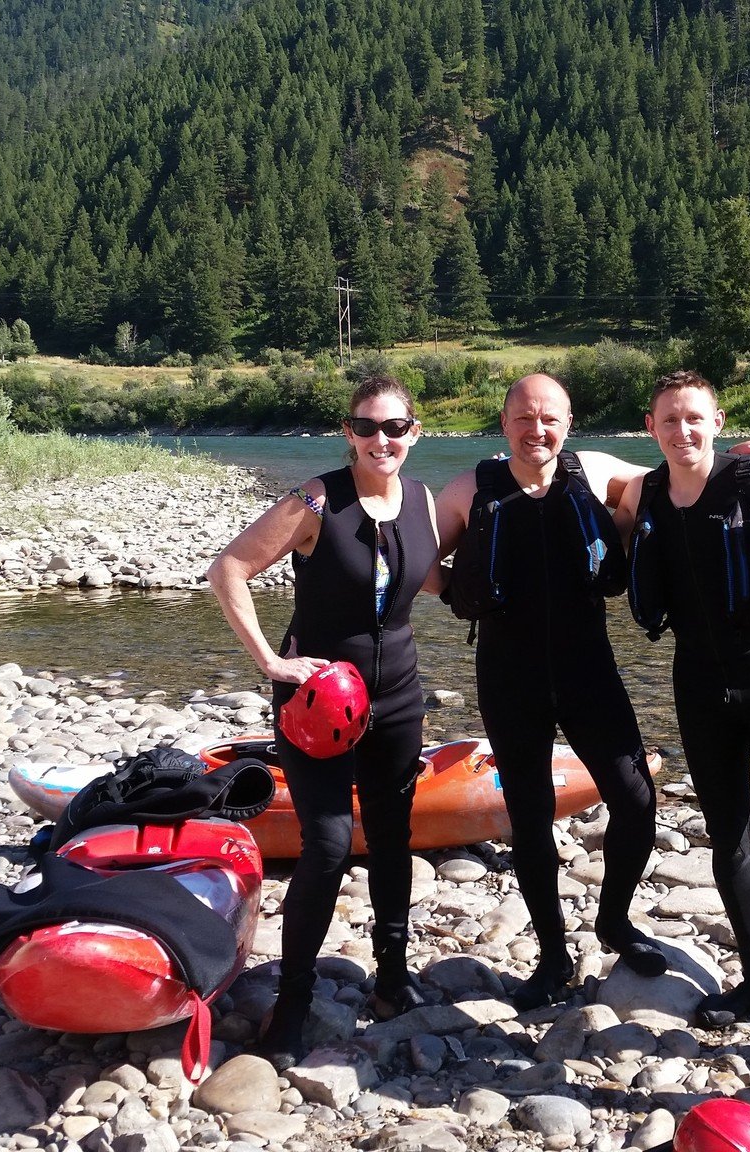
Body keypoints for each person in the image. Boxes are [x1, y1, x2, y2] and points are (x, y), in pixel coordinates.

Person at [207, 376, 438, 1066]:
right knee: (330, 845)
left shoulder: (424, 500)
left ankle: (392, 978)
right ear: (348, 433)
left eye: (395, 427)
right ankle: (294, 1000)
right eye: (366, 428)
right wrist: (272, 663)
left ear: (415, 432)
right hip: (316, 705)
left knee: (395, 837)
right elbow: (229, 569)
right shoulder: (315, 499)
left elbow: (419, 572)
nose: (381, 441)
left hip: (396, 697)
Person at [435, 373, 671, 1009]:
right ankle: (551, 955)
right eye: (523, 418)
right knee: (531, 817)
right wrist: (462, 595)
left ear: (568, 423)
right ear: (503, 422)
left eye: (549, 418)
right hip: (508, 674)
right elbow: (421, 559)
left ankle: (615, 921)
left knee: (635, 797)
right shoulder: (469, 488)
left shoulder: (592, 469)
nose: (536, 430)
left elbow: (672, 475)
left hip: (587, 666)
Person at [613, 370, 750, 1027]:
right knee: (728, 836)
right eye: (669, 420)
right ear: (650, 427)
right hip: (697, 681)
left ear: (718, 421)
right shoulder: (643, 492)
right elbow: (610, 522)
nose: (682, 431)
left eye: (695, 418)